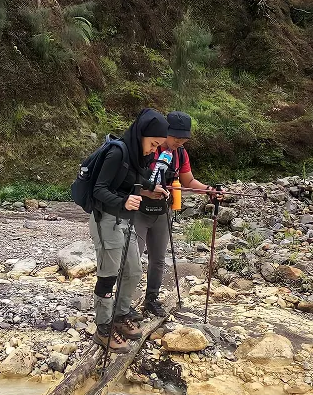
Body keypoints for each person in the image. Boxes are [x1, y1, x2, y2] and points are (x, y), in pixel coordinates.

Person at [90, 108, 169, 353]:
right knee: (109, 274)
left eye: (158, 145)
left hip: (125, 220)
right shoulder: (117, 152)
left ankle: (120, 314)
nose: (154, 149)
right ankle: (103, 329)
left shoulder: (136, 156)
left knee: (133, 271)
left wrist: (151, 188)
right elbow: (98, 189)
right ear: (142, 134)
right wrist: (122, 202)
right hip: (106, 220)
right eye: (153, 143)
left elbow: (134, 180)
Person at [135, 111, 222, 316]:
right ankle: (125, 305)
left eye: (184, 138)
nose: (179, 141)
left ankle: (151, 299)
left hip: (162, 212)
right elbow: (129, 180)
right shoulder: (147, 148)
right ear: (165, 131)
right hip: (138, 210)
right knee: (133, 258)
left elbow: (188, 182)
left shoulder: (179, 153)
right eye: (176, 137)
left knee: (157, 259)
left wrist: (209, 190)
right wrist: (147, 190)